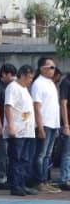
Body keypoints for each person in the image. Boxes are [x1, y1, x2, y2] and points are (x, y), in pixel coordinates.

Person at [5, 65, 37, 195]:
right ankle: (15, 186)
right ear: (22, 75)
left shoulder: (24, 88)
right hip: (17, 130)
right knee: (16, 159)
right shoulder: (13, 87)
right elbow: (8, 107)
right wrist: (11, 126)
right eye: (29, 77)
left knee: (24, 159)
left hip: (27, 130)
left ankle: (22, 184)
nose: (30, 80)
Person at [30, 56, 61, 192]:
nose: (53, 70)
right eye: (51, 67)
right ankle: (39, 181)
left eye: (54, 67)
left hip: (53, 124)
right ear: (42, 68)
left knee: (48, 155)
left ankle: (45, 180)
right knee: (40, 154)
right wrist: (40, 126)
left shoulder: (51, 83)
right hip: (44, 124)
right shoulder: (38, 84)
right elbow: (37, 107)